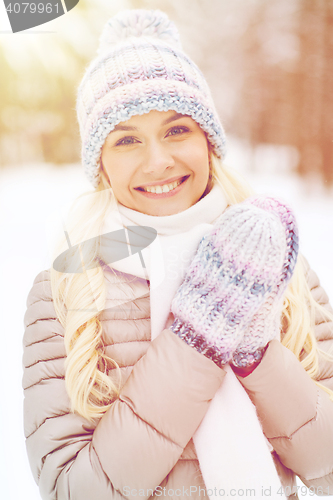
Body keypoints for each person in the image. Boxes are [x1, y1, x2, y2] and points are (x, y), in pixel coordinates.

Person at [23, 9, 333, 500]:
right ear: (99, 163)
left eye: (176, 130)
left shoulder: (274, 266)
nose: (158, 160)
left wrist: (255, 352)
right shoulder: (64, 290)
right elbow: (71, 490)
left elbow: (328, 465)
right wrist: (196, 339)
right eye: (126, 139)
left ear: (208, 141)